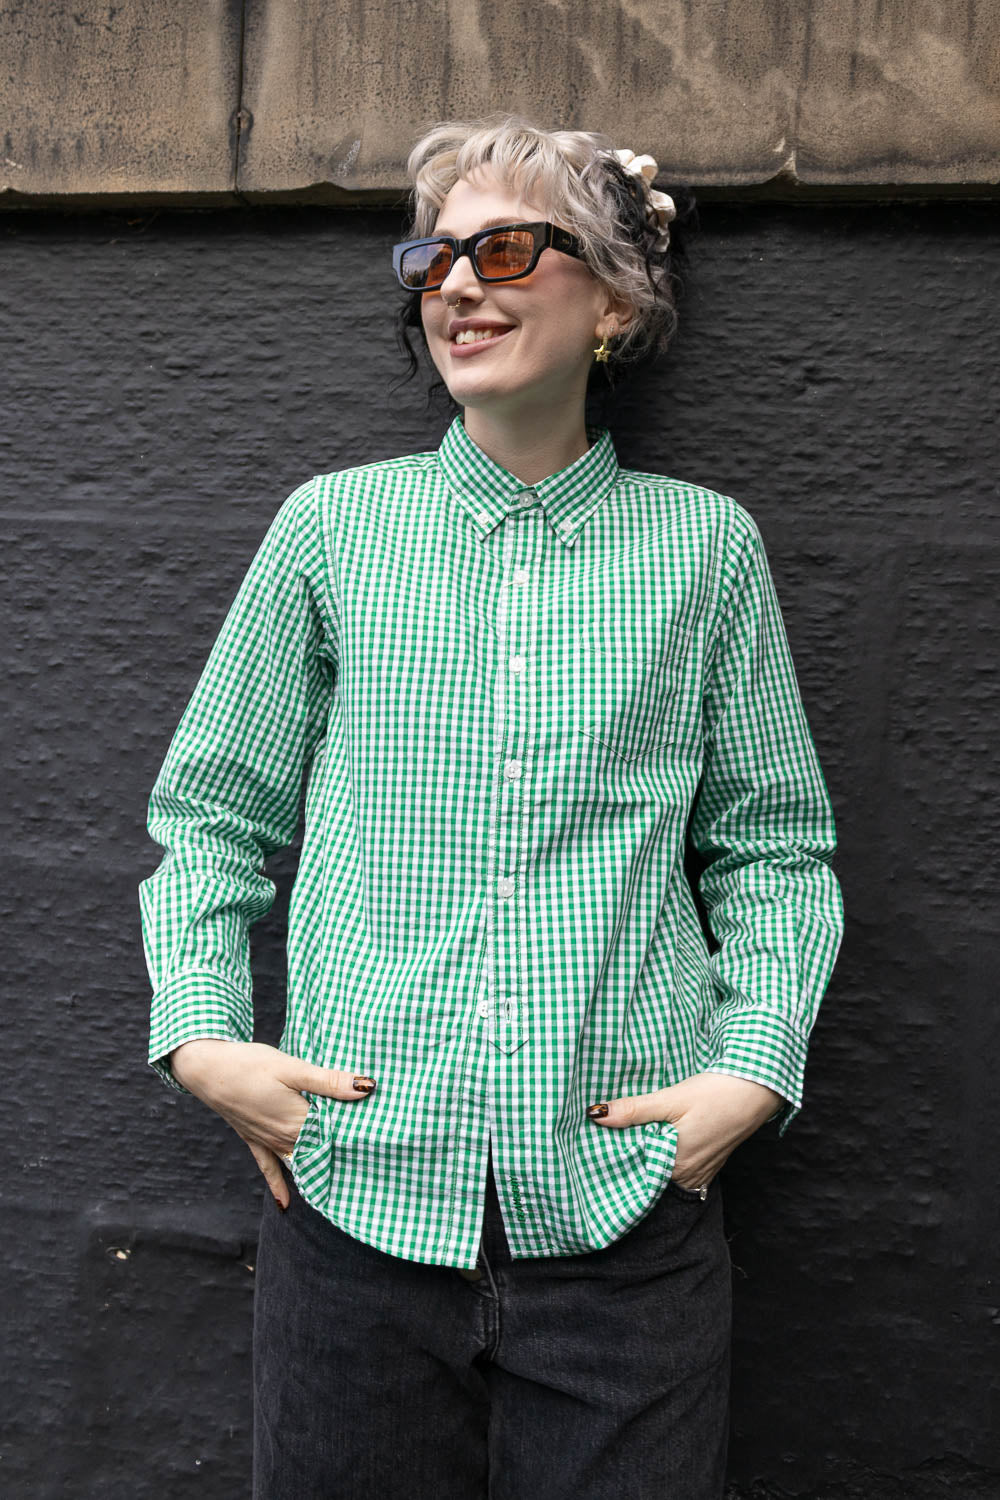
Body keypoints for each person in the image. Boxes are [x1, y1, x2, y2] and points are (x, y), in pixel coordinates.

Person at [140, 114, 843, 1500]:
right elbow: (212, 814)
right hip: (356, 1212)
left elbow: (773, 848)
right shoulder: (334, 531)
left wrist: (752, 1069)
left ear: (615, 303)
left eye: (508, 249)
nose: (457, 284)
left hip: (623, 1223)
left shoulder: (705, 552)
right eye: (434, 258)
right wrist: (204, 1036)